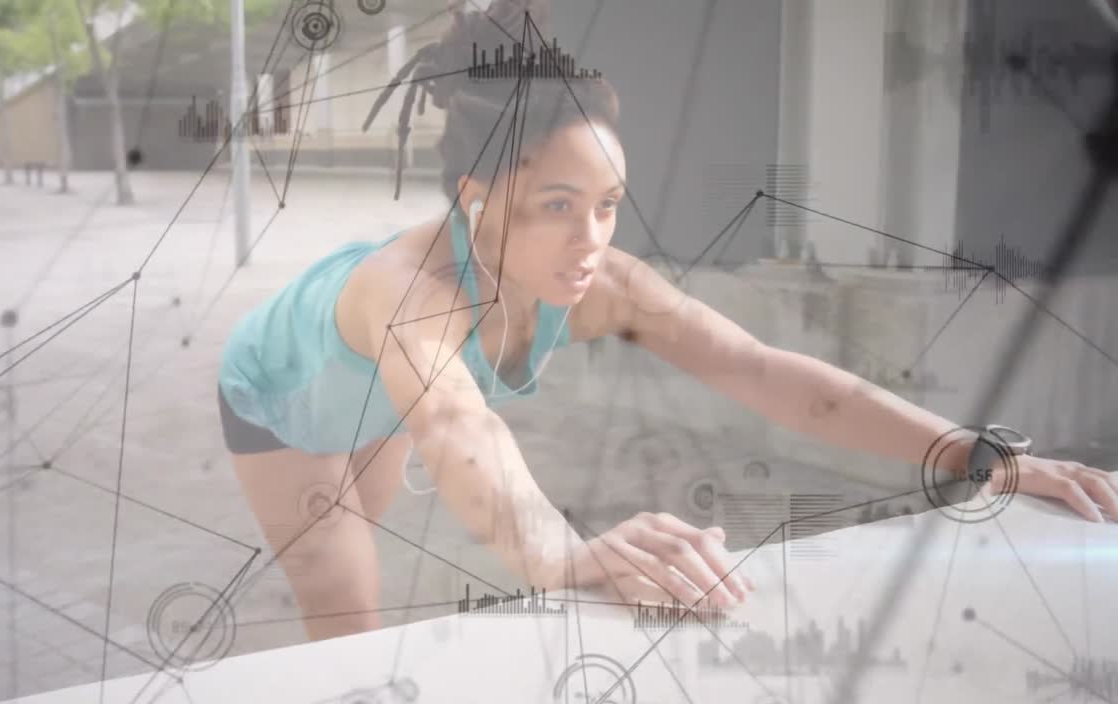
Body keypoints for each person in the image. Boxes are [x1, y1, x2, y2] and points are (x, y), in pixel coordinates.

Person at [217, 0, 1117, 642]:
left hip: (380, 399)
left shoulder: (602, 280)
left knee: (361, 523)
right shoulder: (410, 293)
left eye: (607, 205)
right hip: (279, 393)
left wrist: (971, 452)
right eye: (558, 206)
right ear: (476, 196)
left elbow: (764, 370)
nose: (591, 240)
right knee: (345, 602)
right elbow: (458, 424)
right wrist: (562, 555)